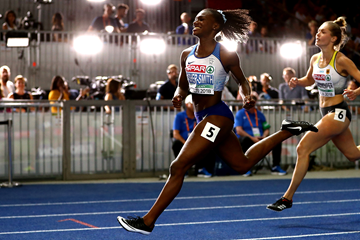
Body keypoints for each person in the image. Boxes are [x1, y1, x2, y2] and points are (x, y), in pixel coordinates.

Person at [117, 8, 318, 235]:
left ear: (215, 26)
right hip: (204, 117)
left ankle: (148, 221)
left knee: (177, 167)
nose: (196, 21)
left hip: (218, 116)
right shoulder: (186, 55)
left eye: (202, 18)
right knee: (242, 164)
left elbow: (242, 81)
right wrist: (179, 95)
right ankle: (286, 131)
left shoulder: (226, 54)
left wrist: (247, 96)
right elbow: (183, 84)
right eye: (195, 19)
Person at [267, 17, 360, 212]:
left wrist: (356, 92)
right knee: (353, 154)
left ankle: (287, 198)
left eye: (323, 32)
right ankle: (287, 198)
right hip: (326, 111)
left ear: (334, 38)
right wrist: (296, 81)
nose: (317, 34)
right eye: (318, 31)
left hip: (339, 112)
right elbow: (309, 79)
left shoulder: (341, 60)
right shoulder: (314, 59)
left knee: (303, 148)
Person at [234, 94, 286, 176]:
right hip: (248, 139)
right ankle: (245, 168)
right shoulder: (240, 114)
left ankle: (276, 166)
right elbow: (239, 130)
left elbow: (266, 128)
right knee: (245, 140)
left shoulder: (259, 114)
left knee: (277, 140)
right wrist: (252, 138)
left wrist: (265, 136)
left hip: (260, 139)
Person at [172, 95, 213, 177]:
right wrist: (185, 143)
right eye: (193, 104)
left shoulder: (201, 116)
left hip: (197, 143)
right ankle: (182, 169)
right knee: (176, 144)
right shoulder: (180, 116)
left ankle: (201, 169)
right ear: (187, 105)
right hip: (184, 143)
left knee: (209, 143)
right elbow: (175, 134)